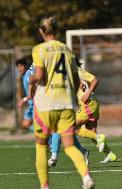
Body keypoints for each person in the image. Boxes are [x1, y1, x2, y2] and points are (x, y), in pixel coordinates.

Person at [29, 16, 94, 189]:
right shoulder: (67, 50)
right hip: (66, 104)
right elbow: (74, 78)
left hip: (45, 105)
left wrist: (31, 81)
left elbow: (39, 76)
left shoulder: (39, 49)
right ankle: (86, 177)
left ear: (41, 31)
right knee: (70, 146)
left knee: (41, 146)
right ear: (57, 30)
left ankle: (45, 186)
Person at [48, 61, 117, 166]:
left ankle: (97, 138)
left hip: (88, 105)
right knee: (91, 132)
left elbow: (95, 80)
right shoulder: (70, 73)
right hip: (91, 105)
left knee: (69, 127)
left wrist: (87, 94)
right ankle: (109, 154)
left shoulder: (80, 72)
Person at [15, 57, 34, 131]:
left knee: (27, 124)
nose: (19, 69)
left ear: (25, 66)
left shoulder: (28, 75)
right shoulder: (25, 76)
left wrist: (24, 99)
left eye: (21, 66)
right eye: (18, 67)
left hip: (36, 105)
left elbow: (33, 89)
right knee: (25, 124)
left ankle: (52, 138)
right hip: (31, 104)